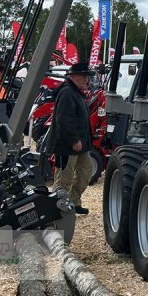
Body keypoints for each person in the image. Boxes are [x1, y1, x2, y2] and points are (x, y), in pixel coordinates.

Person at [45, 62, 96, 215]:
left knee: (85, 173)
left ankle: (73, 202)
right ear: (73, 76)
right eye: (84, 76)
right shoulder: (67, 92)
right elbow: (64, 119)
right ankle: (56, 209)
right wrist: (74, 140)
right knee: (63, 180)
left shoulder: (75, 92)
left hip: (81, 146)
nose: (87, 80)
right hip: (68, 146)